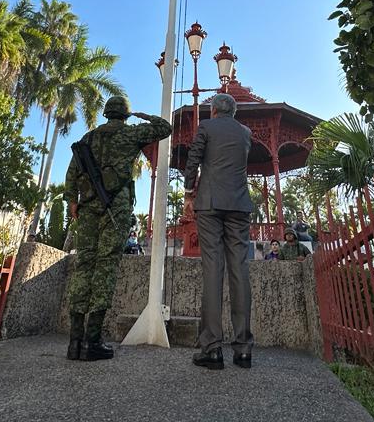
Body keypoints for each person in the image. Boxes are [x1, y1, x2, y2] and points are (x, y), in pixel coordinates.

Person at [63, 95, 171, 362]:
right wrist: (142, 116)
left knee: (84, 264)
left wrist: (72, 200)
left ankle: (74, 342)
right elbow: (164, 128)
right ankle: (92, 340)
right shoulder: (130, 133)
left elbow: (72, 170)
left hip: (88, 206)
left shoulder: (88, 138)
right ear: (124, 113)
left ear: (106, 113)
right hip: (116, 206)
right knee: (106, 266)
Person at [184, 93, 254, 370]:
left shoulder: (206, 127)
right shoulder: (245, 132)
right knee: (240, 270)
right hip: (239, 204)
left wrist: (188, 192)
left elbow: (194, 159)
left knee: (213, 270)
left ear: (213, 110)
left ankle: (212, 348)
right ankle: (244, 349)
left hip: (210, 203)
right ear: (234, 112)